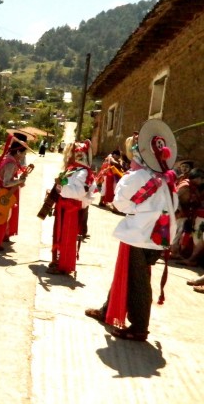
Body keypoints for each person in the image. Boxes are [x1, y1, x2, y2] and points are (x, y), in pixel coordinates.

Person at [85, 119, 178, 342]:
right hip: (160, 236)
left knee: (138, 281)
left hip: (139, 235)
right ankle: (109, 309)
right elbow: (174, 207)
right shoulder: (167, 178)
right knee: (129, 274)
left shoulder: (137, 177)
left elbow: (119, 204)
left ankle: (139, 327)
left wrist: (137, 210)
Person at [46, 140, 96, 275]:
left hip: (70, 210)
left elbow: (79, 192)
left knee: (66, 237)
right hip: (63, 207)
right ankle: (57, 260)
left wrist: (61, 187)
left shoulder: (83, 172)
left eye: (72, 154)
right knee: (58, 235)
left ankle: (63, 264)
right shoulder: (73, 169)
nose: (69, 157)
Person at [0, 133, 33, 251]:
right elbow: (6, 183)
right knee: (0, 217)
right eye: (24, 153)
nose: (23, 156)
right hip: (1, 190)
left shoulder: (5, 157)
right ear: (18, 152)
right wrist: (19, 181)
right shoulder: (10, 163)